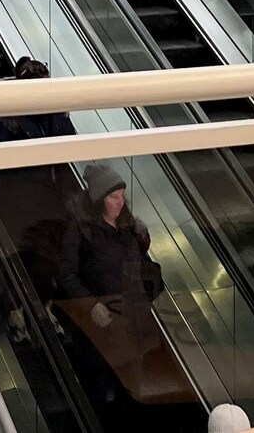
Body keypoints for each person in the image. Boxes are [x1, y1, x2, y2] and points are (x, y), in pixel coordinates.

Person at [53, 165, 178, 427]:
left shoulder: (127, 228)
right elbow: (65, 275)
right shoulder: (80, 229)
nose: (120, 202)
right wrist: (91, 305)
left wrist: (144, 249)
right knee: (102, 393)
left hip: (134, 324)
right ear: (99, 199)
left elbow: (140, 265)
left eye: (122, 195)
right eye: (113, 197)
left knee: (135, 393)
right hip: (103, 328)